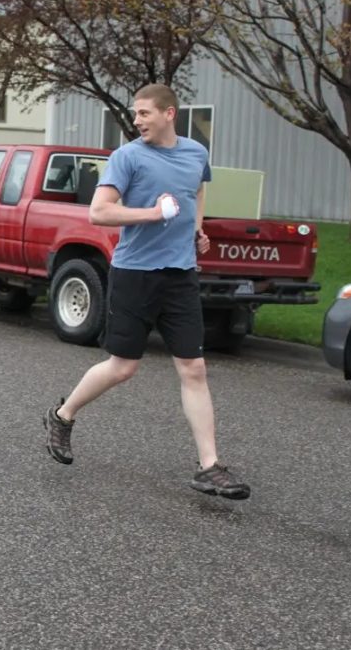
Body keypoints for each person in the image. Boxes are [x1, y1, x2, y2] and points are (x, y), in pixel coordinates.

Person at [42, 83, 250, 500]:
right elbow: (99, 212)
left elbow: (198, 189)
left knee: (193, 368)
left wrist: (196, 227)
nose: (136, 121)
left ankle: (209, 466)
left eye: (144, 114)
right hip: (135, 274)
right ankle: (62, 416)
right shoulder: (128, 157)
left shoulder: (195, 153)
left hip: (180, 275)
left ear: (169, 113)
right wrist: (153, 214)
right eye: (135, 114)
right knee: (123, 368)